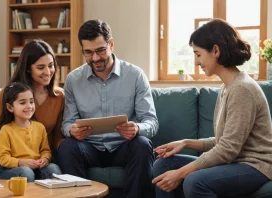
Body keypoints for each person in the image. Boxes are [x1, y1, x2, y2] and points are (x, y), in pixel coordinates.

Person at [152, 18, 272, 198]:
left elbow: (227, 149)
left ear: (215, 50)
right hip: (236, 161)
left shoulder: (242, 89)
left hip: (256, 166)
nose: (196, 62)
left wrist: (180, 173)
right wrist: (186, 143)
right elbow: (226, 140)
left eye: (198, 54)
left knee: (195, 181)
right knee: (163, 164)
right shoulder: (227, 86)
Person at [57, 19, 159, 198]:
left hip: (123, 147)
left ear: (111, 45)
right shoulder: (73, 80)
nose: (95, 58)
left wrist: (136, 128)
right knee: (67, 147)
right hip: (89, 148)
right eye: (88, 52)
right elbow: (67, 123)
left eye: (100, 50)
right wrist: (72, 131)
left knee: (142, 145)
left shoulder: (135, 76)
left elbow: (151, 122)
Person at [0, 40, 65, 179]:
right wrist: (14, 153)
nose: (47, 72)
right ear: (28, 68)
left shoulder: (59, 97)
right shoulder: (9, 92)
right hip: (4, 156)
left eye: (51, 66)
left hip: (36, 159)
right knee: (25, 173)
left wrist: (47, 156)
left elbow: (56, 137)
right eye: (40, 67)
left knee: (54, 172)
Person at [0, 82, 61, 182]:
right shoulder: (6, 130)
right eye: (22, 103)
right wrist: (21, 162)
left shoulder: (40, 127)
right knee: (26, 172)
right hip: (14, 169)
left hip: (37, 167)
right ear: (10, 107)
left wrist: (45, 159)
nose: (29, 106)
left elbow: (45, 150)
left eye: (31, 102)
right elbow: (3, 158)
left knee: (53, 168)